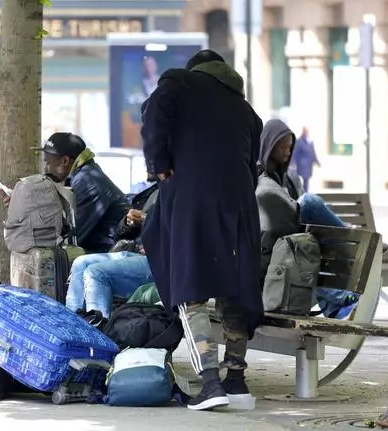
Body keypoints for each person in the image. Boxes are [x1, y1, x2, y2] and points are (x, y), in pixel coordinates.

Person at [140, 49, 263, 411]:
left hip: (192, 202)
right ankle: (237, 380)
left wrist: (159, 164)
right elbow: (252, 164)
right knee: (236, 289)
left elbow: (154, 113)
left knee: (189, 288)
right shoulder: (244, 109)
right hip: (239, 204)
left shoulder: (178, 82)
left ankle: (210, 383)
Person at [257, 118, 360, 318]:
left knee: (309, 247)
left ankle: (334, 303)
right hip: (271, 251)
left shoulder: (290, 178)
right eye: (282, 148)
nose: (287, 153)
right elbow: (265, 206)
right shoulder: (257, 176)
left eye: (289, 148)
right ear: (269, 147)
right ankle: (352, 239)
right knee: (311, 203)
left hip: (291, 243)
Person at [65, 177, 159, 317]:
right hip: (140, 252)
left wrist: (151, 227)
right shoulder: (157, 191)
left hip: (162, 261)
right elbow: (121, 236)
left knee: (96, 273)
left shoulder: (183, 192)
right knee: (80, 263)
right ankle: (72, 325)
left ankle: (99, 333)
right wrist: (129, 223)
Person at [33, 132, 130, 253]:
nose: (46, 168)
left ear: (65, 161)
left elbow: (72, 236)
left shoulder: (88, 182)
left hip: (108, 251)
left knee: (48, 254)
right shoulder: (83, 174)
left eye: (48, 162)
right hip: (102, 248)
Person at [290, 127, 321, 192]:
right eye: (305, 131)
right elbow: (295, 153)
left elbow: (313, 153)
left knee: (306, 181)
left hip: (308, 165)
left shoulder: (309, 142)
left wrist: (317, 162)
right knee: (300, 180)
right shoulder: (299, 142)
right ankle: (301, 193)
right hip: (302, 165)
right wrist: (293, 162)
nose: (306, 133)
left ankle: (305, 193)